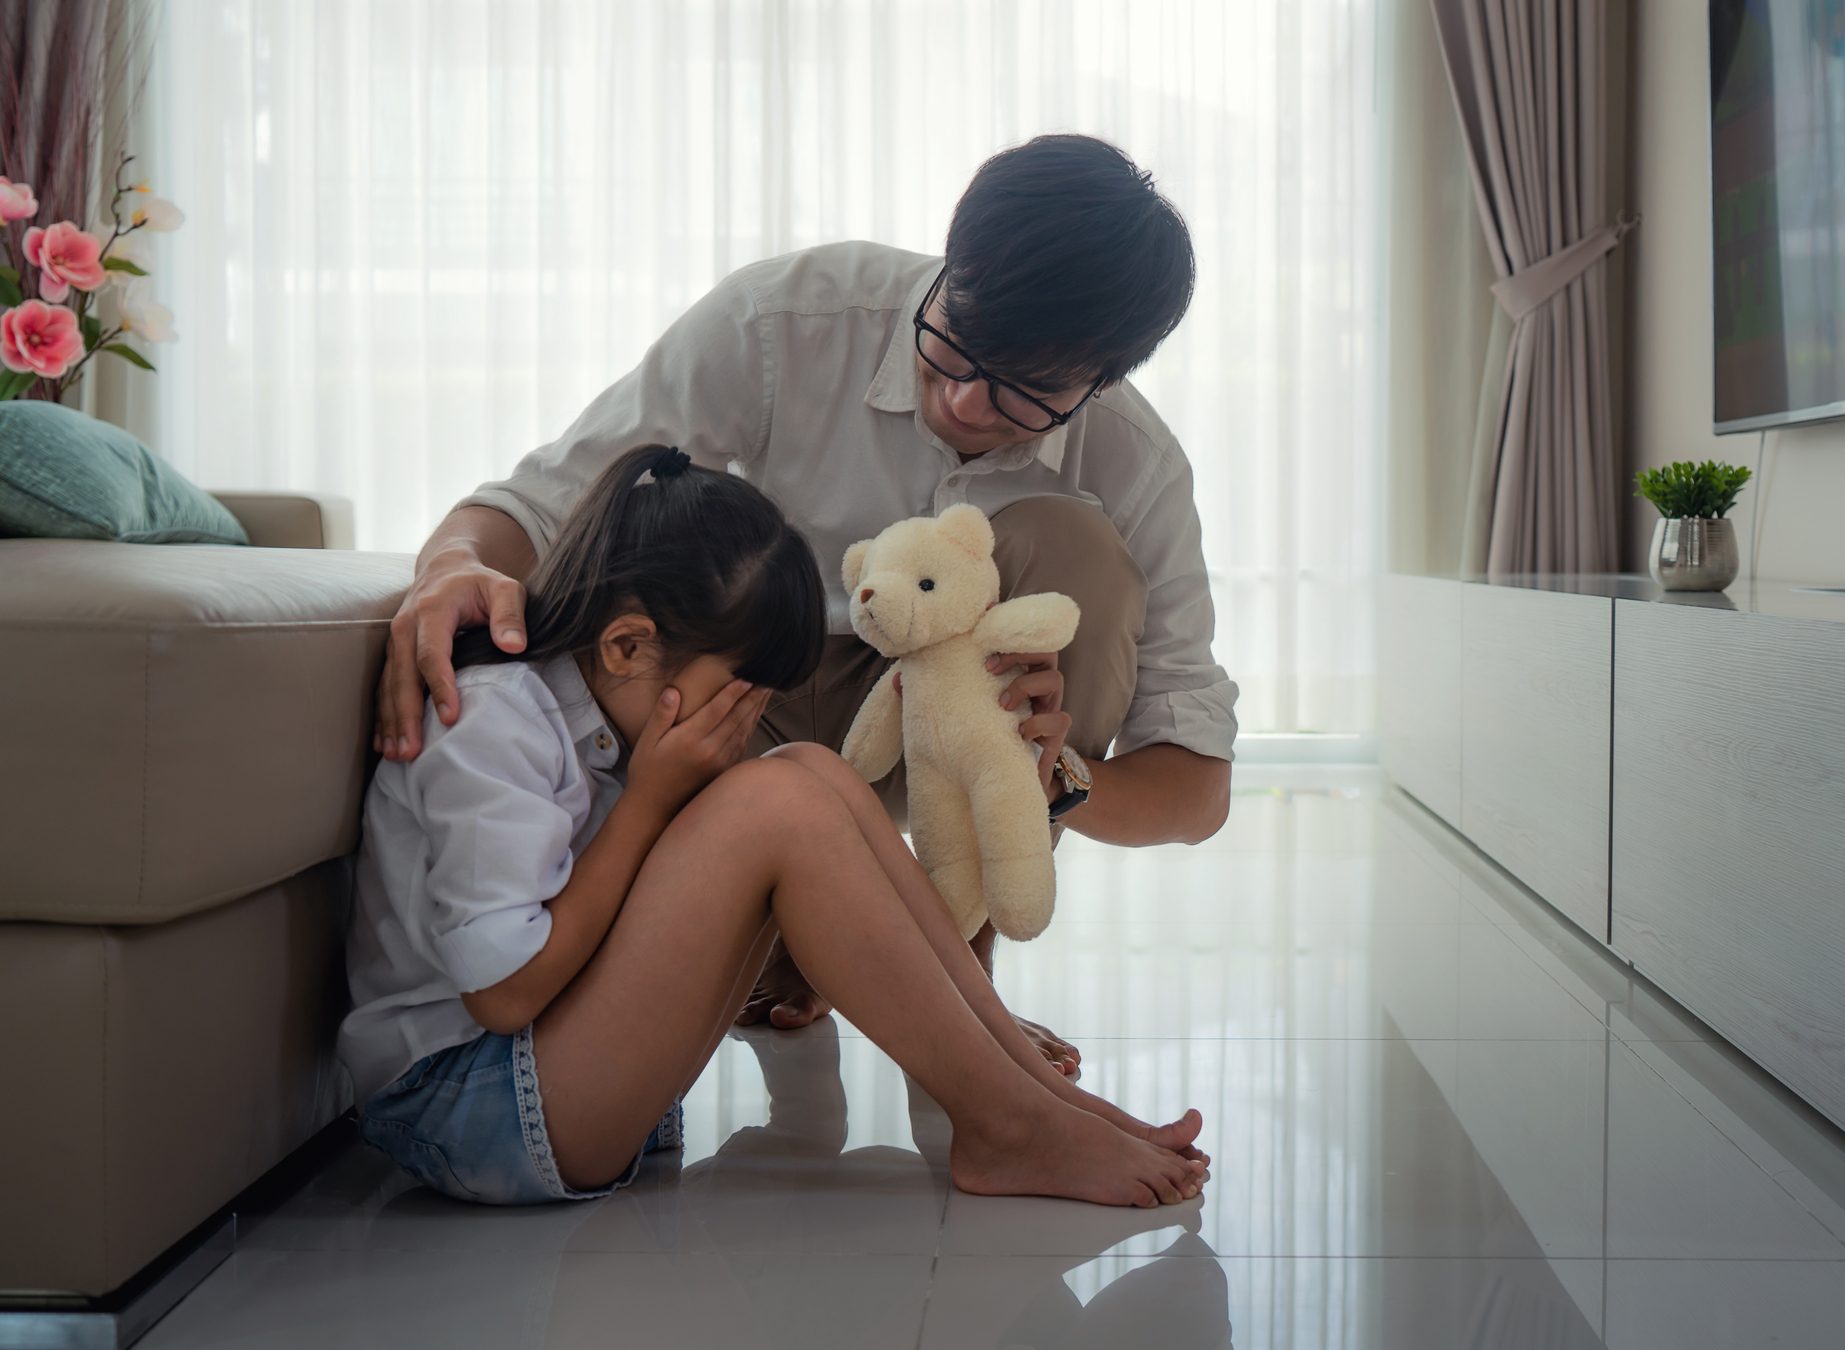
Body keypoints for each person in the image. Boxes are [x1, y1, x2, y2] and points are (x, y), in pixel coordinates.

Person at [372, 134, 1239, 1066]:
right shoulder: (784, 320)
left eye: (1027, 393)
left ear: (1104, 380)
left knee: (1082, 555)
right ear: (952, 263)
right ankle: (800, 945)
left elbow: (1195, 788)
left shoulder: (1135, 462)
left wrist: (1053, 780)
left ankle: (953, 978)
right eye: (953, 345)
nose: (965, 402)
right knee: (668, 614)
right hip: (737, 704)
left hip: (951, 734)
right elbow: (552, 501)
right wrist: (450, 564)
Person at [340, 444, 1209, 1207]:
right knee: (777, 799)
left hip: (552, 1082)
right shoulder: (489, 719)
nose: (745, 717)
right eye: (739, 692)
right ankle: (1009, 1125)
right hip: (466, 1107)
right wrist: (648, 801)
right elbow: (505, 993)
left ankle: (1029, 1100)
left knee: (811, 771)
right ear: (627, 648)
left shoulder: (593, 712)